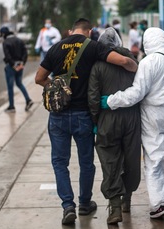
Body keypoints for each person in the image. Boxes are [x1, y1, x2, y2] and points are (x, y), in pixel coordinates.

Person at [34, 18, 138, 225]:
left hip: (58, 116)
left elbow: (39, 78)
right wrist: (135, 65)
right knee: (86, 163)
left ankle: (67, 206)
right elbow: (123, 61)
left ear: (71, 31)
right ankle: (84, 203)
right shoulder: (93, 46)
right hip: (82, 115)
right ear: (89, 32)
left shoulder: (55, 48)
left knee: (59, 162)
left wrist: (57, 87)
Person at [100, 27, 164, 219]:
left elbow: (136, 93)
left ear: (147, 42)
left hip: (154, 113)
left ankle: (158, 203)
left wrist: (111, 101)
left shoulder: (148, 62)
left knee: (153, 158)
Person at [87, 27, 141, 224]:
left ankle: (115, 207)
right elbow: (142, 89)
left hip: (107, 119)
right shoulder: (134, 62)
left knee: (110, 161)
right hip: (132, 118)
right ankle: (127, 199)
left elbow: (93, 98)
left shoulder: (97, 66)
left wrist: (95, 121)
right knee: (131, 159)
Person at [0, 26, 34, 113]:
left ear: (3, 34)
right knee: (19, 83)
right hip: (20, 65)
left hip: (11, 67)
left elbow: (8, 56)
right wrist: (22, 63)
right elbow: (25, 53)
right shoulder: (19, 40)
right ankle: (28, 100)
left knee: (10, 86)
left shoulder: (5, 42)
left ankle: (11, 106)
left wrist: (13, 65)